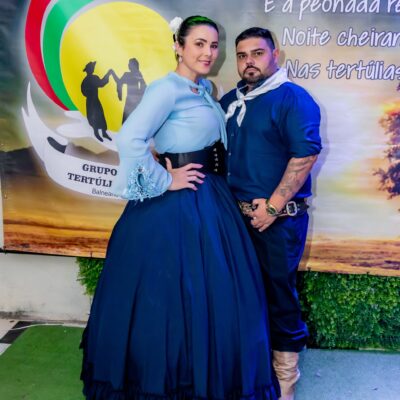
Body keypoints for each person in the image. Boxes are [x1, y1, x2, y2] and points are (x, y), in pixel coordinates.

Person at [80, 16, 280, 400]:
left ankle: (206, 376)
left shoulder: (203, 89)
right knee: (170, 293)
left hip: (211, 197)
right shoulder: (166, 89)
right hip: (177, 204)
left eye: (213, 45)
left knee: (213, 292)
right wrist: (163, 179)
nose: (208, 52)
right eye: (199, 44)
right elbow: (130, 138)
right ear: (179, 46)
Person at [220, 27, 322, 400]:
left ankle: (285, 380)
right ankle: (251, 372)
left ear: (275, 54)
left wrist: (274, 206)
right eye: (242, 55)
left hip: (279, 222)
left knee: (279, 296)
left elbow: (306, 154)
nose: (249, 62)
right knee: (240, 295)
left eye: (257, 53)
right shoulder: (230, 100)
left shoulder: (293, 98)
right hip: (234, 220)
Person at [81, 61, 113, 142]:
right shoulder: (91, 78)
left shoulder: (86, 80)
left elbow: (83, 91)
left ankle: (103, 133)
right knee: (95, 116)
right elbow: (101, 83)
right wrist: (108, 74)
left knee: (99, 116)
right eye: (92, 68)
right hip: (93, 100)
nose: (93, 69)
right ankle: (97, 133)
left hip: (92, 100)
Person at [111, 58, 147, 123]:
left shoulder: (135, 75)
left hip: (134, 102)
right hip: (132, 101)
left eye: (130, 64)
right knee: (128, 121)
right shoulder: (130, 75)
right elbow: (119, 82)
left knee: (130, 121)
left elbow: (144, 87)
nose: (128, 65)